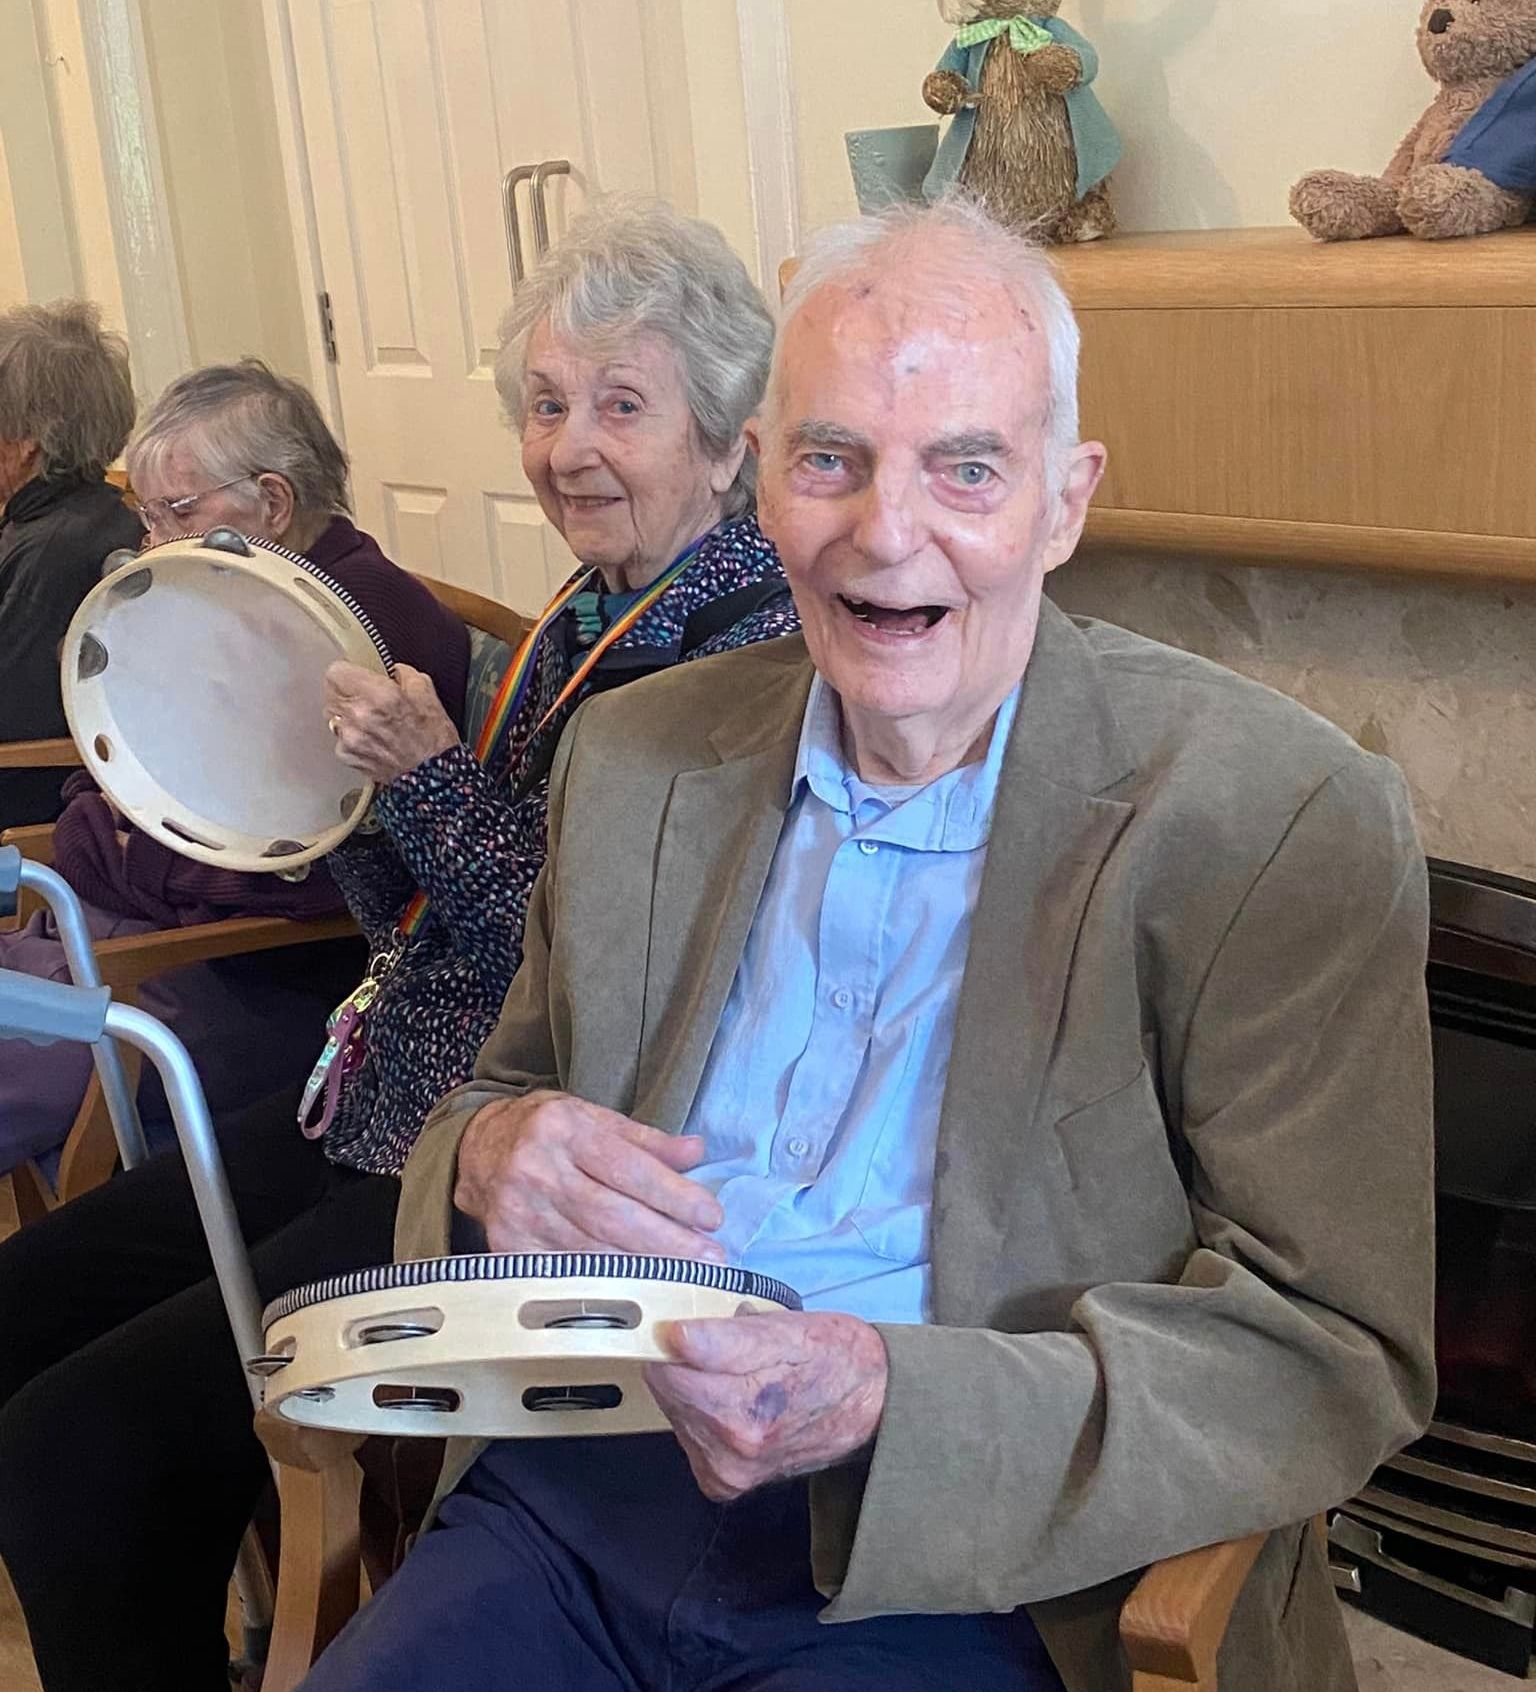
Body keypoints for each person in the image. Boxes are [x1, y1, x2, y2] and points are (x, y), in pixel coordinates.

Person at [308, 199, 1437, 1692]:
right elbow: (487, 1105)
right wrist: (497, 1148)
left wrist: (883, 1398)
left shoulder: (1272, 820)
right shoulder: (639, 759)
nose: (885, 533)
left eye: (965, 467)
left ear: (1065, 501)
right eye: (831, 458)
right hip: (580, 1498)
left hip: (971, 1550)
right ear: (763, 481)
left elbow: (1333, 1350)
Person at [0, 200, 799, 1692]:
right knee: (29, 1307)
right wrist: (348, 799)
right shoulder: (585, 615)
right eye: (548, 404)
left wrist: (425, 779)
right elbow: (426, 929)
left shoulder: (743, 652)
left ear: (728, 434)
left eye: (623, 405)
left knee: (75, 1455)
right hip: (393, 1092)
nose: (569, 447)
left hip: (526, 1164)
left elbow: (591, 978)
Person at [0, 358, 467, 1178]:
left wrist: (128, 864)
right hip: (139, 942)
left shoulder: (362, 631)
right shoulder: (217, 596)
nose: (151, 545)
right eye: (145, 519)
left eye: (175, 513)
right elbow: (103, 789)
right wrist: (123, 856)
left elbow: (329, 874)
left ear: (273, 503)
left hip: (243, 980)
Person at [0, 301, 141, 833]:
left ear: (27, 439)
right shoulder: (69, 514)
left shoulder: (55, 548)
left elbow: (13, 717)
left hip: (34, 809)